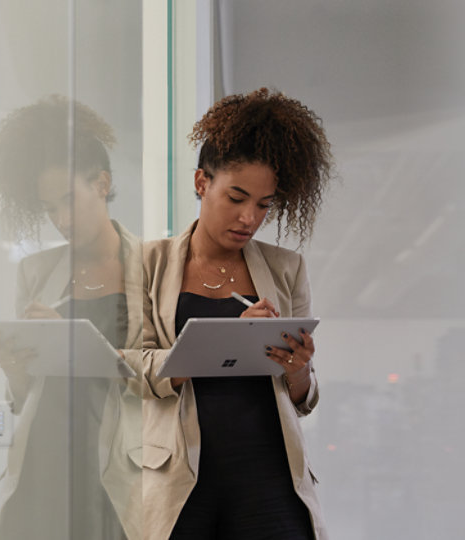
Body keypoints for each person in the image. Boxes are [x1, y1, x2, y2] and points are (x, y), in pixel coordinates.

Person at [141, 88, 333, 540]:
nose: (249, 217)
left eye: (263, 205)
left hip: (270, 479)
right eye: (236, 197)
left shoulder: (287, 268)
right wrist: (221, 344)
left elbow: (302, 397)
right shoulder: (148, 265)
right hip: (180, 480)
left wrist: (299, 368)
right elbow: (131, 364)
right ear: (202, 183)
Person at [0, 95, 142, 540]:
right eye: (49, 208)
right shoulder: (35, 272)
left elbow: (164, 379)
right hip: (45, 463)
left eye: (67, 201)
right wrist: (14, 370)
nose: (60, 219)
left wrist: (76, 344)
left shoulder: (154, 267)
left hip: (115, 464)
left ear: (101, 183)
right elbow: (25, 397)